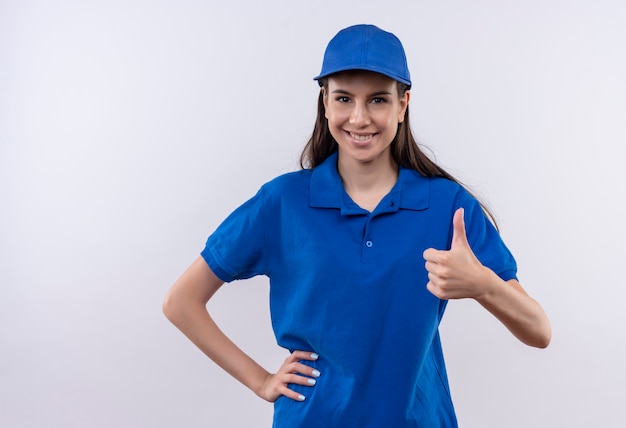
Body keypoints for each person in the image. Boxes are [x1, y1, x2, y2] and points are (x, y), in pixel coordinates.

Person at [163, 24, 551, 428]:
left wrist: (484, 285)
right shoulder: (282, 203)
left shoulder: (447, 208)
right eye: (344, 98)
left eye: (378, 100)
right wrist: (261, 381)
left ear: (403, 105)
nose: (359, 117)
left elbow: (539, 331)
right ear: (325, 104)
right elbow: (181, 302)